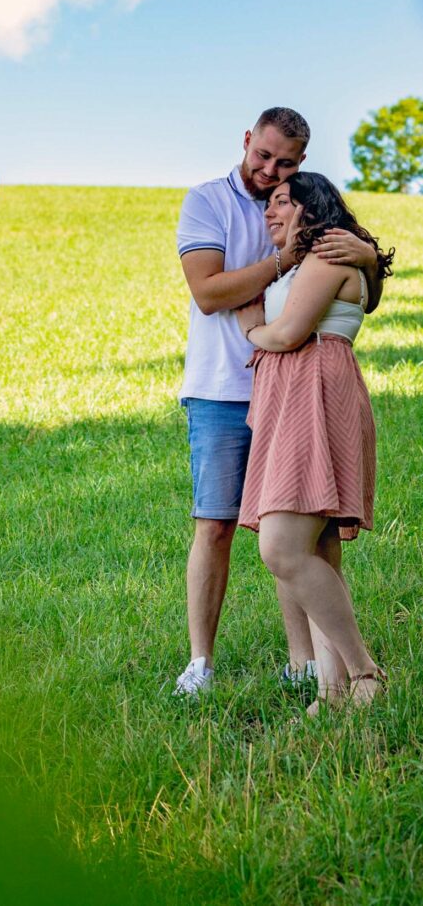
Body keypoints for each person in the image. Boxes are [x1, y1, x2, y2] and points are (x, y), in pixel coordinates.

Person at [173, 108, 381, 697]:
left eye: (284, 164)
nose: (270, 173)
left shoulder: (308, 214)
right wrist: (282, 262)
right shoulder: (208, 202)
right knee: (217, 524)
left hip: (293, 388)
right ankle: (201, 663)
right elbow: (209, 293)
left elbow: (343, 299)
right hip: (224, 386)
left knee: (298, 533)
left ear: (301, 165)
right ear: (246, 141)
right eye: (263, 156)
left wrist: (365, 258)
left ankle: (313, 668)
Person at [235, 172, 394, 711]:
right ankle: (332, 691)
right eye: (268, 204)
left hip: (314, 393)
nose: (270, 213)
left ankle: (365, 673)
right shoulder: (317, 262)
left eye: (283, 202)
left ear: (312, 207)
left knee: (280, 547)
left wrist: (252, 328)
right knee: (314, 548)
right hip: (294, 397)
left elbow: (287, 334)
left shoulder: (328, 257)